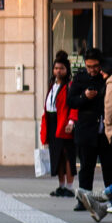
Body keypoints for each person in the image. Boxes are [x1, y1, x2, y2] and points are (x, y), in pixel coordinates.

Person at [65, 51, 112, 200]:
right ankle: (84, 200)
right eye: (89, 66)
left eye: (96, 66)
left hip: (105, 130)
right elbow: (71, 101)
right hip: (87, 130)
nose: (92, 70)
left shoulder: (107, 77)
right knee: (86, 168)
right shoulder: (80, 78)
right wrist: (84, 97)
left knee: (109, 168)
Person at [41, 52, 74, 197]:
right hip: (52, 121)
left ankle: (69, 186)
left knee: (68, 155)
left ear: (66, 69)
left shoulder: (70, 86)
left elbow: (73, 106)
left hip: (64, 122)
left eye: (61, 68)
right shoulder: (52, 85)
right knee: (57, 156)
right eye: (56, 68)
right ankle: (61, 185)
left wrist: (71, 121)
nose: (58, 71)